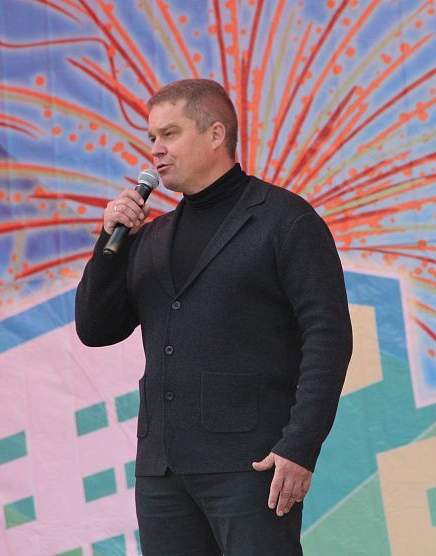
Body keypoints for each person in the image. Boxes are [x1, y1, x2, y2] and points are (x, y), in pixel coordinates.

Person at [75, 78, 352, 555]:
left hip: (253, 463)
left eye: (169, 134)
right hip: (163, 469)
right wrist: (110, 242)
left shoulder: (284, 219)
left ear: (216, 134)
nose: (156, 150)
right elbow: (95, 329)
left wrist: (300, 445)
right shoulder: (152, 236)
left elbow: (328, 336)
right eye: (152, 138)